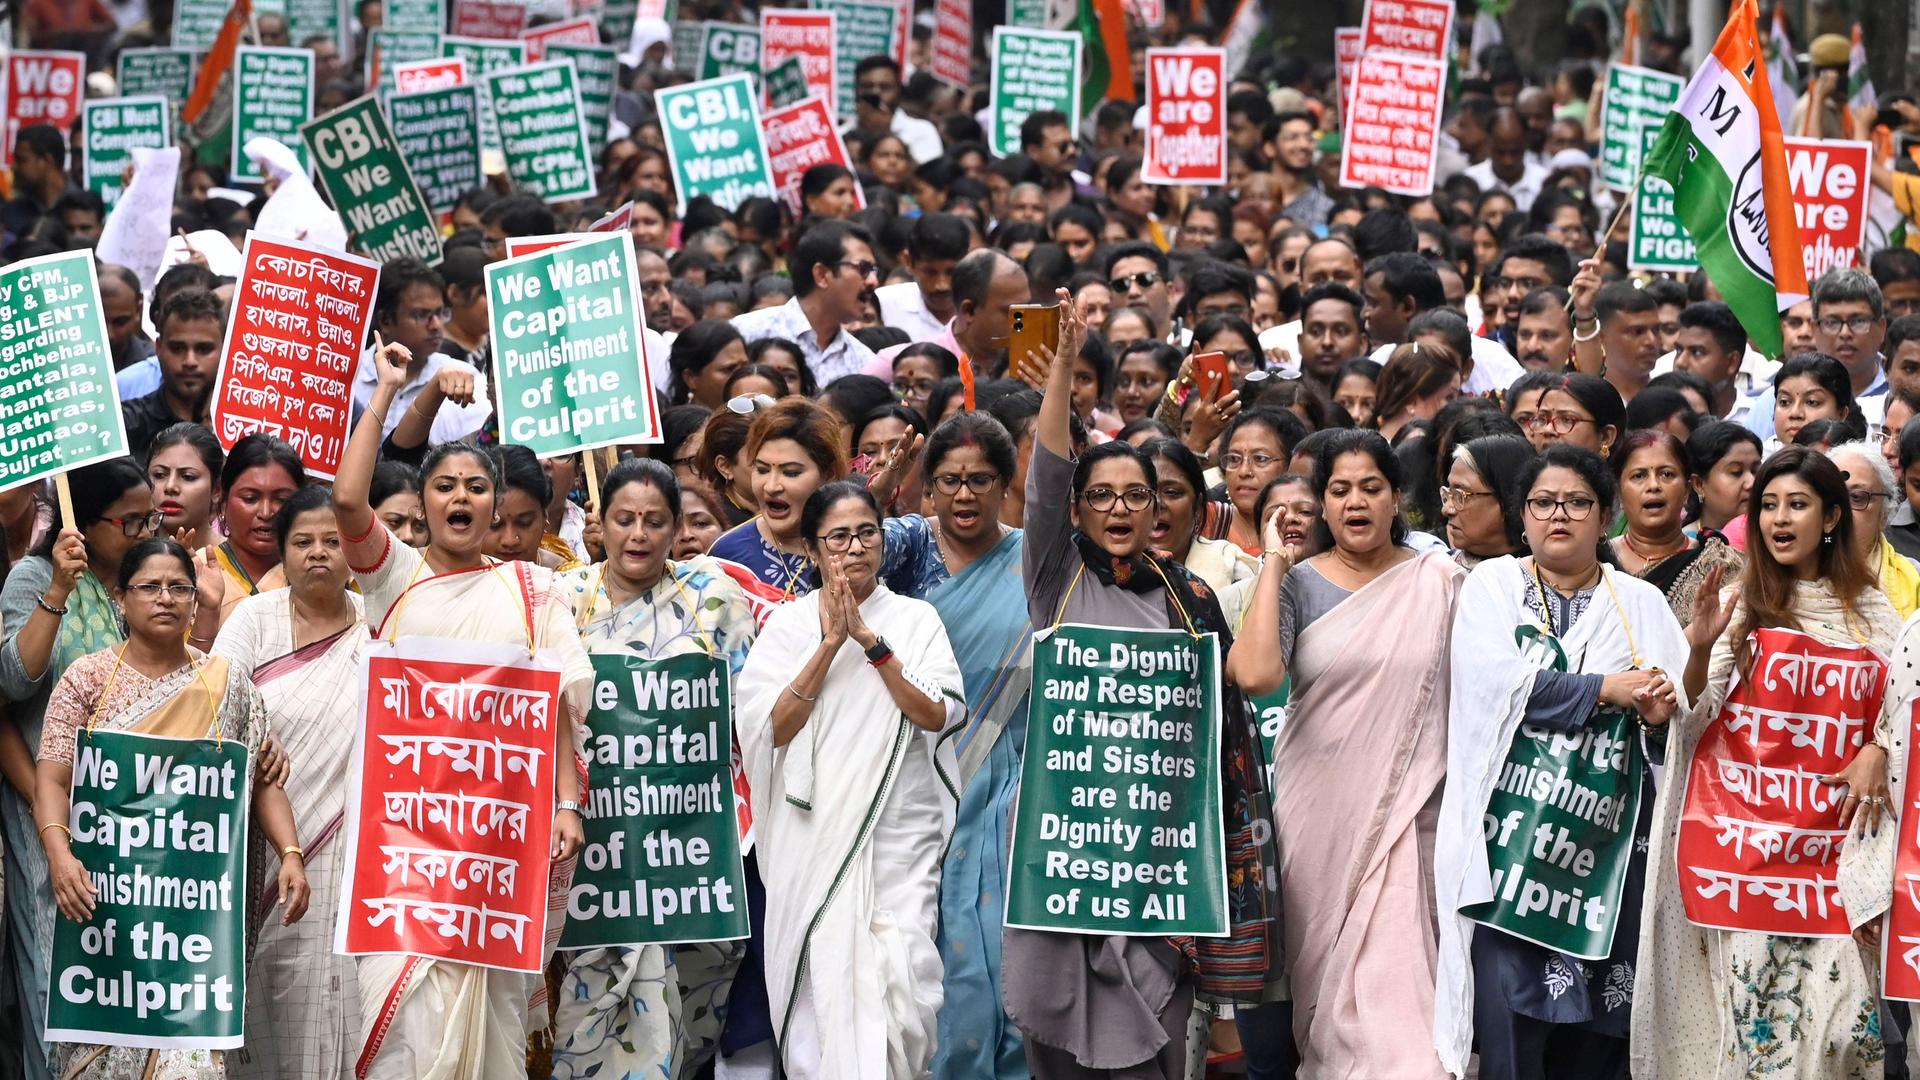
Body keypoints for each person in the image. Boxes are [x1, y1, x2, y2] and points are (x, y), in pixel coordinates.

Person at [1005, 291, 1279, 1078]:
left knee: (1157, 1043)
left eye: (1137, 495)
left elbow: (1221, 728)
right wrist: (1061, 374)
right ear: (1078, 511)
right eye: (1101, 496)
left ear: (1160, 506)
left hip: (1157, 864)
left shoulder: (1187, 601)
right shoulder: (1053, 577)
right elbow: (1048, 472)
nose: (1120, 508)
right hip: (1068, 853)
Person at [332, 339, 595, 1079]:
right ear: (421, 505)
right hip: (404, 839)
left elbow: (557, 712)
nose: (459, 499)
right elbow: (349, 501)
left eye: (475, 488)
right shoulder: (396, 580)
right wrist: (388, 389)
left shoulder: (533, 591)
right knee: (403, 1025)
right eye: (443, 486)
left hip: (496, 840)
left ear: (499, 507)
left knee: (493, 1025)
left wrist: (566, 803)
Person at [1636, 446, 1901, 1079]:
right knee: (1760, 1042)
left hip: (1836, 859)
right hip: (1745, 860)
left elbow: (1905, 710)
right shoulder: (1737, 604)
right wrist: (1698, 650)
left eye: (1798, 504)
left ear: (1832, 517)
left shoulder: (1877, 614)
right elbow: (1692, 715)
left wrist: (1878, 748)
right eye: (1768, 505)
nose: (1779, 519)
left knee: (1845, 1036)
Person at [1433, 444, 1687, 1080]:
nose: (1559, 516)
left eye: (1578, 503)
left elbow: (1675, 713)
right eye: (1543, 503)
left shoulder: (1641, 604)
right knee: (1509, 1029)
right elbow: (1491, 685)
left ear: (1607, 520)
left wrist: (1657, 709)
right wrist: (1607, 688)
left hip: (1606, 854)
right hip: (1509, 849)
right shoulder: (1492, 586)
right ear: (1522, 518)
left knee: (1602, 1034)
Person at [1228, 427, 1465, 1077]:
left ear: (1397, 500)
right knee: (1327, 1005)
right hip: (1314, 822)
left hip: (1412, 819)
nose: (1355, 502)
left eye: (1370, 488)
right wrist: (1274, 561)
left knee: (1401, 1029)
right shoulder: (1298, 584)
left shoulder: (1441, 580)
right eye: (1339, 490)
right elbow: (1253, 676)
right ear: (1324, 506)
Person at [34, 538, 307, 1079]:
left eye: (178, 587)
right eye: (150, 587)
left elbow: (261, 781)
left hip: (194, 917)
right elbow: (53, 775)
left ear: (193, 597)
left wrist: (291, 852)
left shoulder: (227, 686)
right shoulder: (86, 679)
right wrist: (59, 854)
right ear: (121, 598)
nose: (165, 598)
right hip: (105, 907)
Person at [736, 481, 964, 1078]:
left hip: (897, 835)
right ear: (813, 550)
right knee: (819, 1002)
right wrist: (829, 643)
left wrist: (868, 641)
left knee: (902, 983)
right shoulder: (787, 628)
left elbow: (937, 714)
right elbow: (770, 731)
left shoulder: (916, 619)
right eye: (839, 537)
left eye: (868, 532)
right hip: (811, 837)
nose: (856, 547)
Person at [551, 459, 760, 1080]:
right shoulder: (563, 600)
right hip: (596, 844)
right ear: (601, 524)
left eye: (654, 521)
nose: (637, 535)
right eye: (624, 520)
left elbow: (747, 719)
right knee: (592, 1019)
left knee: (687, 1023)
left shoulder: (715, 599)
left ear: (675, 529)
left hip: (688, 850)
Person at [0, 458, 181, 1080]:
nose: (143, 531)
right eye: (130, 521)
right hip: (45, 810)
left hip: (127, 823)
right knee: (57, 973)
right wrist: (56, 589)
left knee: (123, 978)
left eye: (149, 518)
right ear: (88, 519)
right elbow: (11, 685)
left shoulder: (135, 588)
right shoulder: (32, 577)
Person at [212, 488, 364, 1079]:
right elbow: (217, 704)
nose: (319, 553)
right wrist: (255, 737)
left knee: (344, 991)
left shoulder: (379, 626)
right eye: (303, 542)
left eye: (333, 541)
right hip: (258, 847)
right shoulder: (253, 618)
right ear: (282, 551)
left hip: (353, 853)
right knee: (271, 990)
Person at [1610, 430, 1743, 621]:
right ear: (1619, 494)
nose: (1653, 485)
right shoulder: (1596, 561)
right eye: (1639, 476)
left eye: (1666, 474)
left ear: (1687, 490)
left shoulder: (1720, 563)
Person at [212, 434, 306, 625]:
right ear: (223, 501)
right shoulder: (197, 570)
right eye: (250, 498)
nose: (266, 513)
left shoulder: (317, 571)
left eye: (281, 500)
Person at [1828, 441, 1920, 619]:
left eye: (1857, 497)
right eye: (1833, 497)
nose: (1843, 511)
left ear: (1884, 515)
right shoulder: (1796, 572)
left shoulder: (1914, 578)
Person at [1442, 434, 1534, 568]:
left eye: (1460, 495)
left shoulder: (1552, 576)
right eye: (1448, 494)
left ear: (1509, 500)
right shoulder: (1436, 573)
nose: (1446, 509)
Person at [146, 422, 224, 547]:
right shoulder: (127, 559)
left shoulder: (238, 563)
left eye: (188, 477)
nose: (170, 487)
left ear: (216, 490)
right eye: (159, 475)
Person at [1686, 421, 1764, 545]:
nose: (1751, 482)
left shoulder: (1773, 538)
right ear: (1699, 484)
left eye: (1755, 471)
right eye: (1736, 472)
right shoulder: (1684, 545)